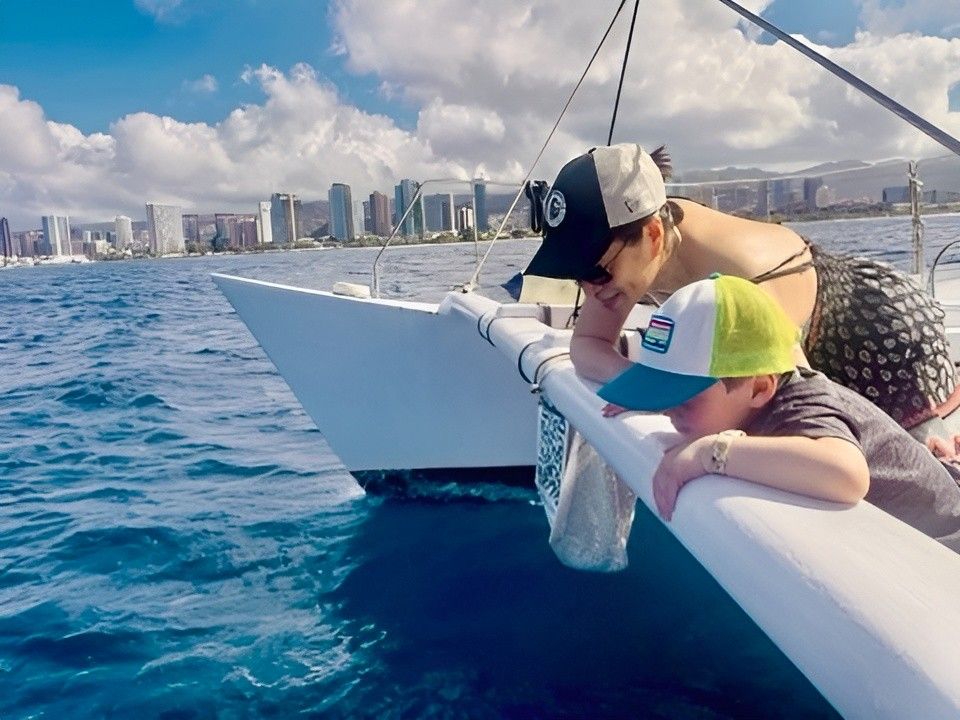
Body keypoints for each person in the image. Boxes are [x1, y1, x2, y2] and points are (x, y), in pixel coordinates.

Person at [525, 143, 960, 438]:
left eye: (597, 271)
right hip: (809, 342)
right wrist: (639, 387)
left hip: (886, 348)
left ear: (654, 234)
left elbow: (800, 413)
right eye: (574, 273)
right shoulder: (629, 250)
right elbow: (588, 343)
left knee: (924, 484)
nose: (588, 287)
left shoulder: (743, 277)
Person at [594, 273, 960, 552]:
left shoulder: (803, 404)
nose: (671, 411)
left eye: (684, 398)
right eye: (663, 396)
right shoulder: (751, 402)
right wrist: (653, 397)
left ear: (759, 388)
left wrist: (710, 453)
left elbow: (846, 474)